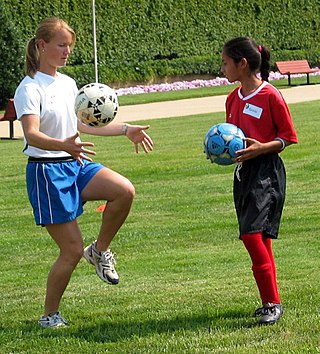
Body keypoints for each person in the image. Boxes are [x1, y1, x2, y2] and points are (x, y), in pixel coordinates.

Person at [14, 17, 154, 328]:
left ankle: (100, 250)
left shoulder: (66, 83)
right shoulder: (29, 87)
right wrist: (63, 145)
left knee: (124, 191)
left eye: (69, 46)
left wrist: (126, 129)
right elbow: (32, 135)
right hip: (47, 172)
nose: (67, 51)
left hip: (73, 162)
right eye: (61, 45)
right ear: (42, 46)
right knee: (71, 250)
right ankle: (49, 315)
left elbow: (81, 124)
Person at [220, 37, 298, 325]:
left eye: (226, 62)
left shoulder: (270, 96)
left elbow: (288, 137)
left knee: (252, 235)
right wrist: (221, 153)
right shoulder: (231, 98)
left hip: (267, 173)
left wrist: (261, 147)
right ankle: (270, 300)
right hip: (243, 175)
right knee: (260, 238)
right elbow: (232, 137)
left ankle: (271, 303)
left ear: (242, 64)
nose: (222, 68)